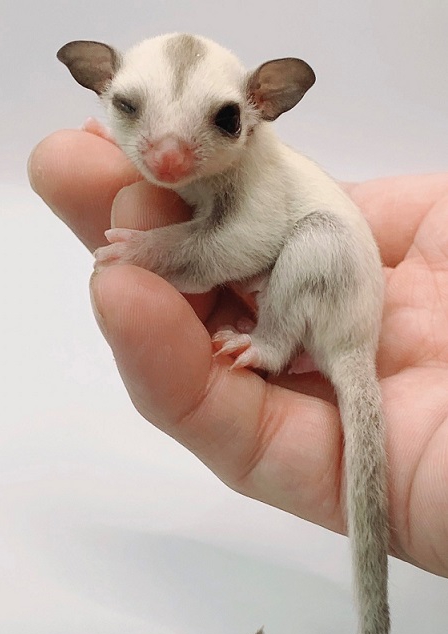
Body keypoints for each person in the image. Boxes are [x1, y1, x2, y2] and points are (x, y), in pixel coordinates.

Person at [28, 126, 448, 577]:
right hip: (319, 296)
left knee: (312, 240)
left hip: (333, 294)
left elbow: (233, 250)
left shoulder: (253, 173)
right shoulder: (224, 164)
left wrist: (154, 250)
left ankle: (276, 345)